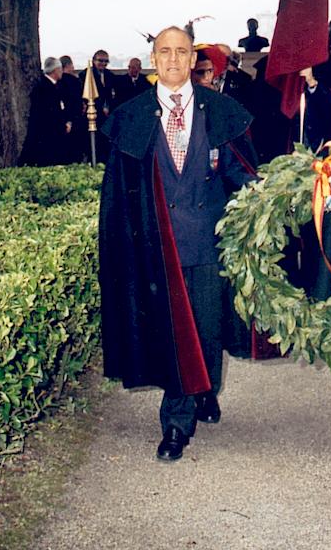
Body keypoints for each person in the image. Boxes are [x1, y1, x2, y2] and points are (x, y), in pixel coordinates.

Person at [98, 25, 259, 462]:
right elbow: (118, 196)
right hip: (157, 248)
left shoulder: (219, 111)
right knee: (173, 333)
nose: (173, 59)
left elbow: (242, 174)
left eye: (181, 52)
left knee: (207, 328)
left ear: (193, 60)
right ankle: (176, 422)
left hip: (208, 244)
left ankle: (205, 388)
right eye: (164, 52)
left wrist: (282, 191)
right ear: (154, 59)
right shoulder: (131, 117)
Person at [20, 56, 73, 166]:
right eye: (60, 69)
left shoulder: (54, 86)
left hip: (54, 131)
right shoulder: (43, 88)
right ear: (55, 70)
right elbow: (49, 113)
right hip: (46, 134)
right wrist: (63, 126)